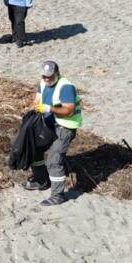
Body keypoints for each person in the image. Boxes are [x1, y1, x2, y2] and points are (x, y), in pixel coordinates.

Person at [21, 60, 82, 206]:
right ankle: (41, 180)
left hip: (64, 127)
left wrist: (49, 109)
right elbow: (36, 100)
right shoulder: (42, 83)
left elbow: (69, 110)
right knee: (35, 151)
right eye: (44, 76)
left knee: (54, 160)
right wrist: (32, 110)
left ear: (57, 73)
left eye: (50, 76)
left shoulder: (66, 87)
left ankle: (57, 195)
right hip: (48, 125)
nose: (47, 79)